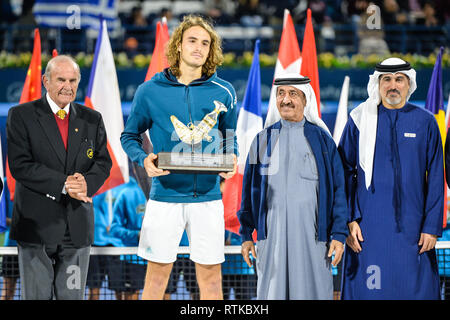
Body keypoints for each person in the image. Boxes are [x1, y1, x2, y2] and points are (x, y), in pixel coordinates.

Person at [120, 14, 238, 300]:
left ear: (211, 50)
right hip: (164, 198)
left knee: (211, 280)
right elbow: (129, 136)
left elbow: (229, 137)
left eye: (205, 43)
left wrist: (231, 158)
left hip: (208, 198)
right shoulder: (150, 91)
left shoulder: (225, 91)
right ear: (179, 46)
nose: (199, 47)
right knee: (156, 278)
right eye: (192, 41)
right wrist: (143, 159)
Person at [6, 55, 112, 300]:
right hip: (36, 229)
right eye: (61, 79)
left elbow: (103, 162)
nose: (68, 86)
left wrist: (86, 183)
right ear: (46, 81)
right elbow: (20, 166)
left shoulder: (92, 118)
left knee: (72, 297)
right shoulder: (21, 115)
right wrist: (64, 184)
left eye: (73, 80)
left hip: (77, 228)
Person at [338, 57, 444, 300]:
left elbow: (437, 176)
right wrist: (349, 220)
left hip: (415, 231)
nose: (393, 85)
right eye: (386, 79)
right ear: (378, 84)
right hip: (366, 230)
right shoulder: (359, 120)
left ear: (409, 85)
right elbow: (342, 172)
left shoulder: (426, 122)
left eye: (399, 79)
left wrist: (431, 227)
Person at [238, 73, 349, 300]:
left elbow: (339, 191)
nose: (285, 99)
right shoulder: (262, 141)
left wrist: (338, 233)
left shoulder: (323, 141)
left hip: (314, 242)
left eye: (293, 94)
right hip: (272, 241)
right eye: (280, 93)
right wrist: (247, 234)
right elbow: (249, 191)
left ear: (305, 99)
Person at [86, 185, 127, 300]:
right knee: (94, 289)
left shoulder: (123, 190)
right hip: (96, 246)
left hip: (116, 246)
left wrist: (115, 227)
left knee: (119, 290)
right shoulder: (93, 188)